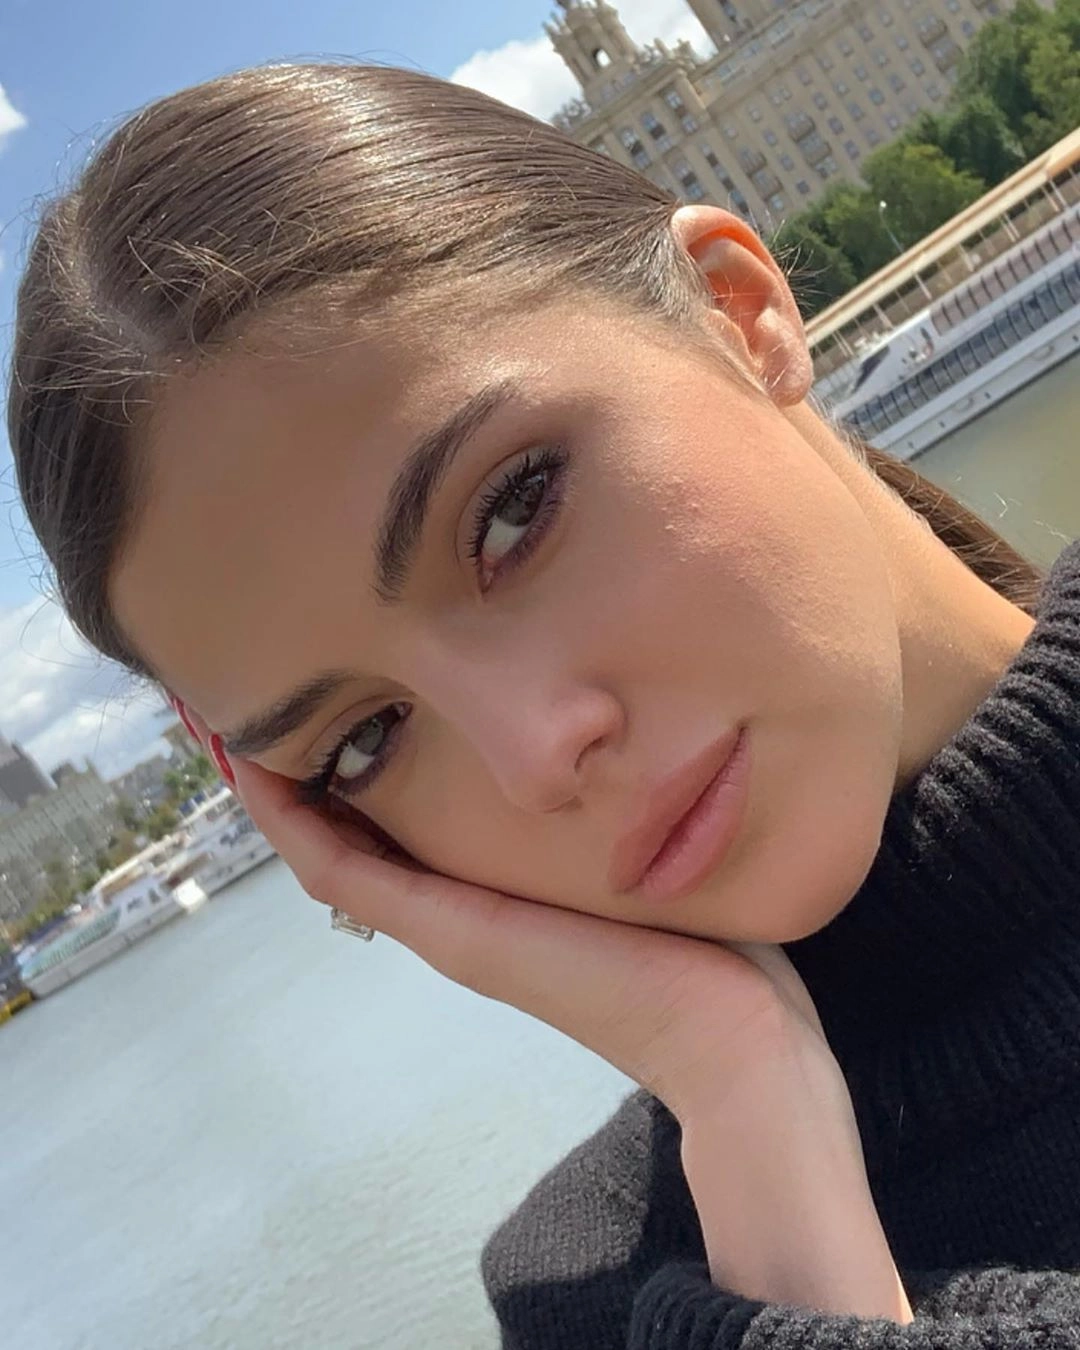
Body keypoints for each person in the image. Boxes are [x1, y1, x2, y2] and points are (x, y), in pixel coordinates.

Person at [8, 61, 1080, 1349]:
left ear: (739, 313)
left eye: (514, 513)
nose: (533, 756)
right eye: (363, 740)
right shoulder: (590, 1293)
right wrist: (751, 1115)